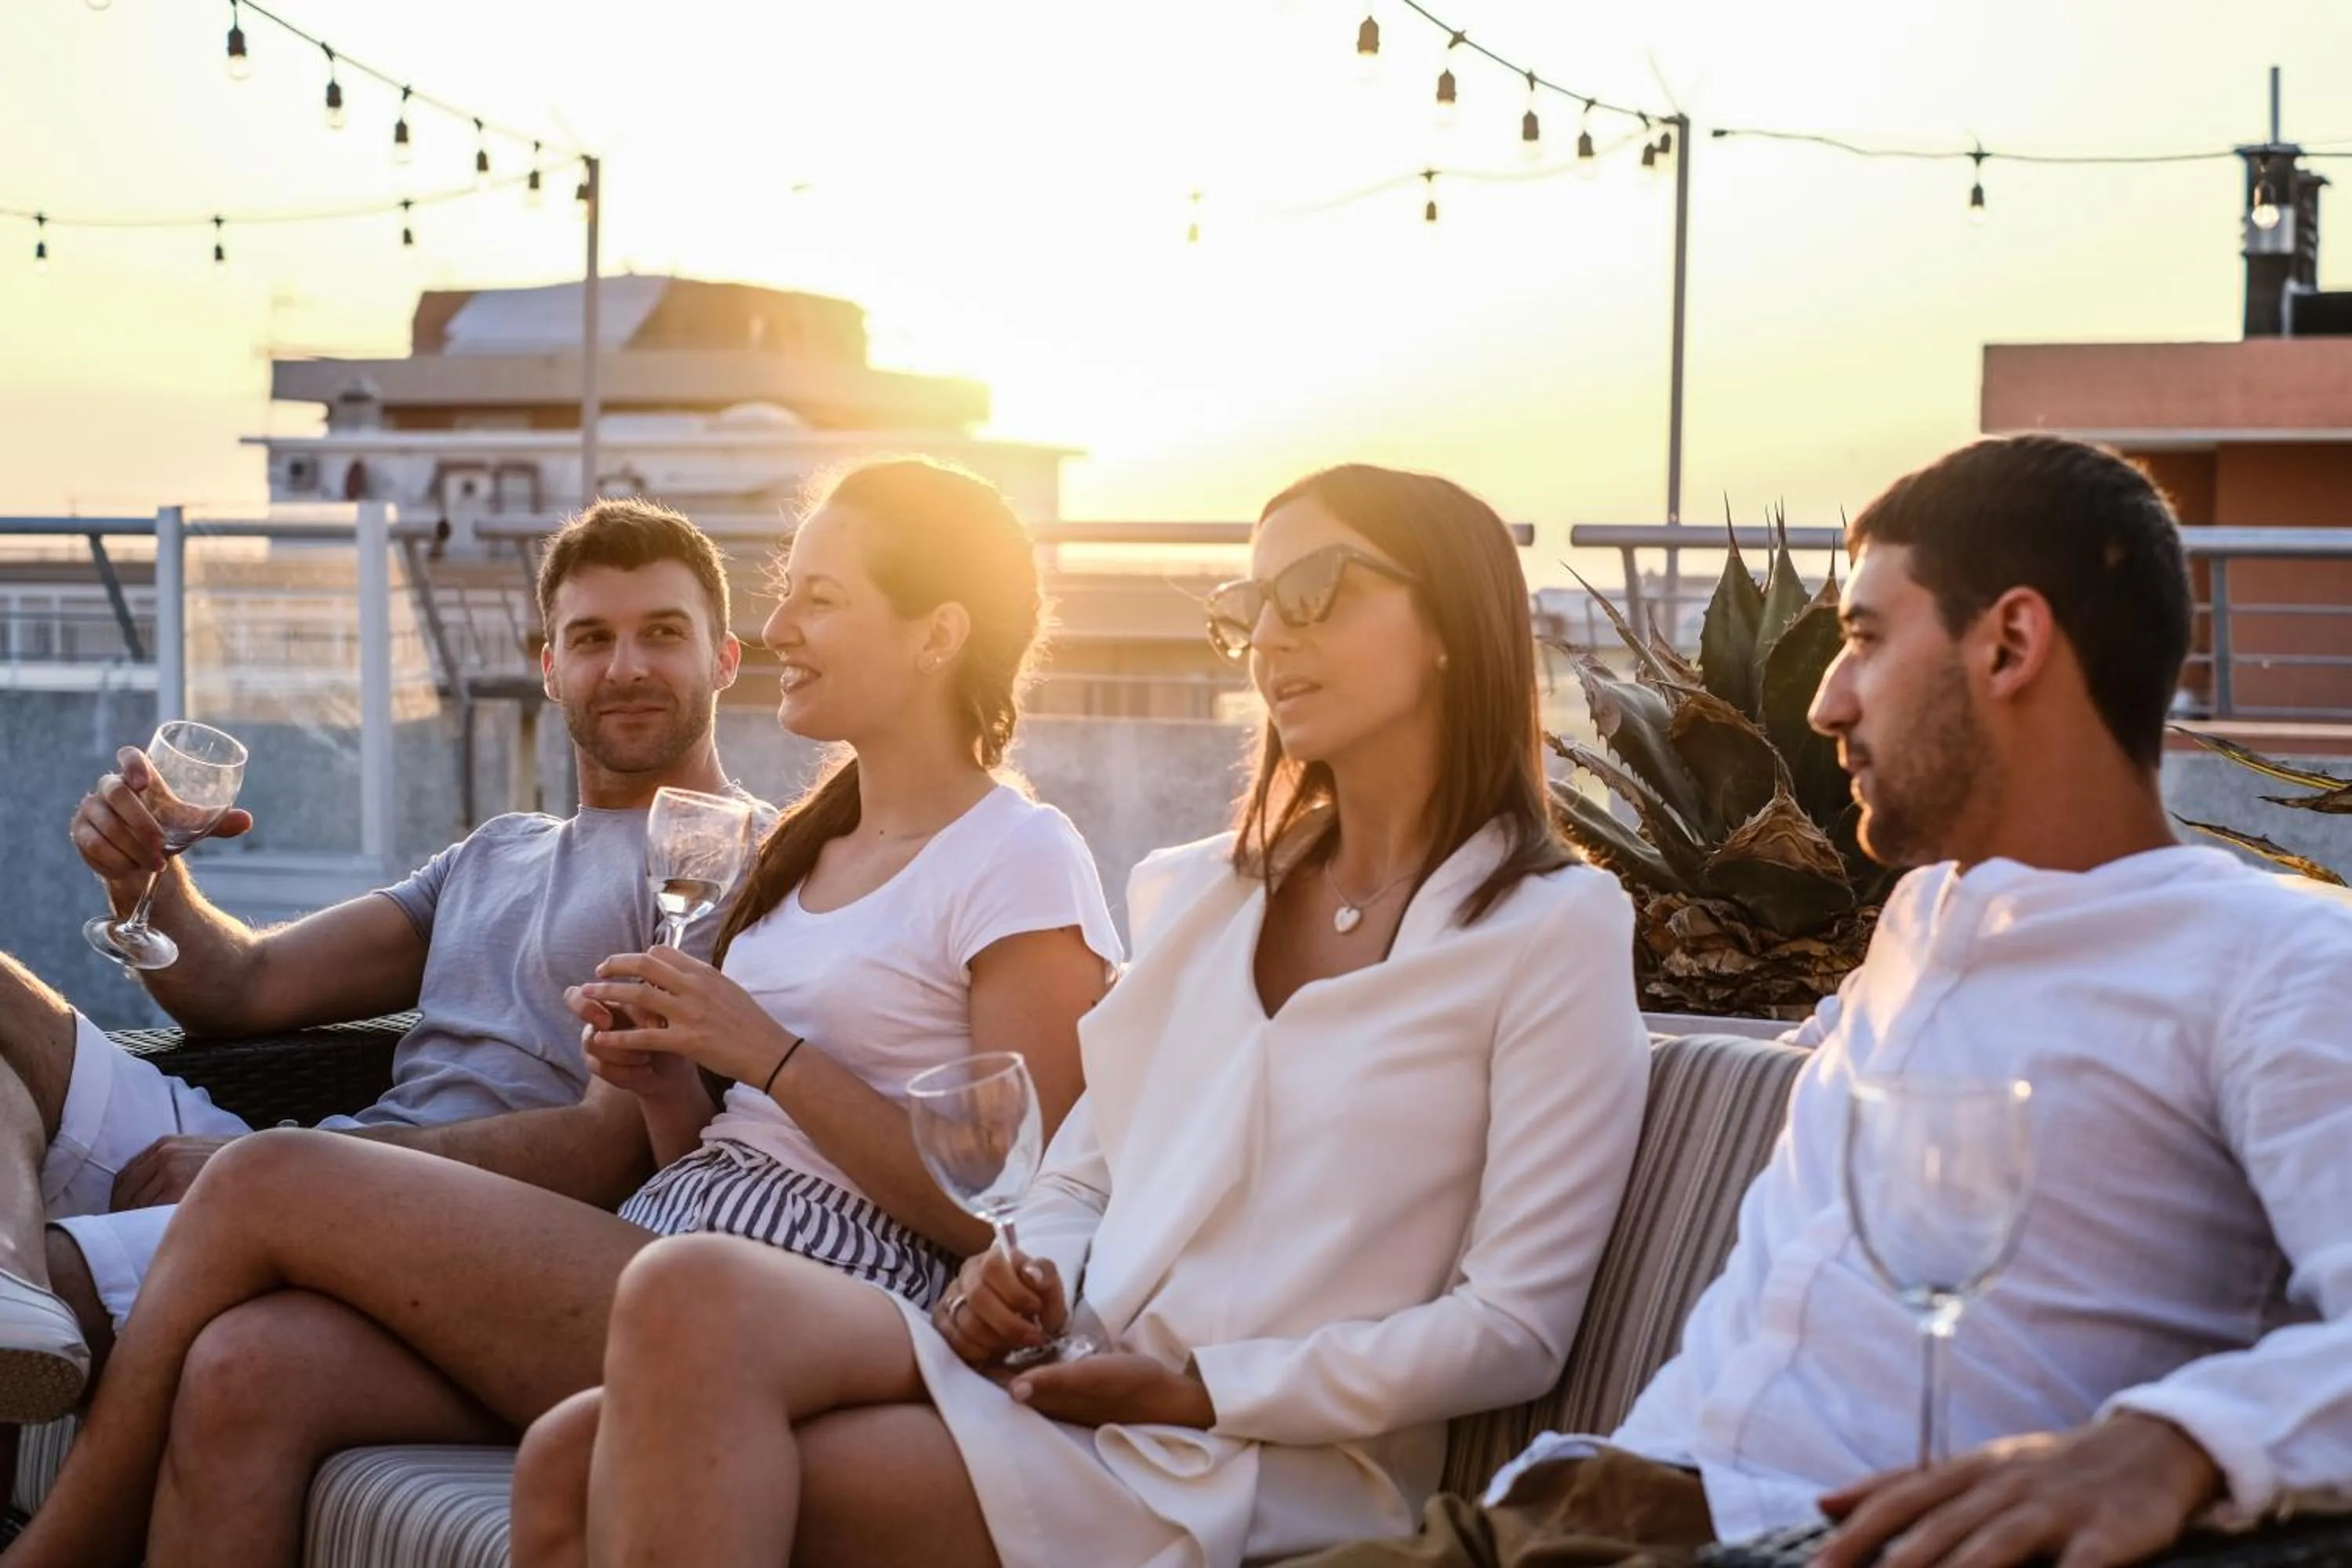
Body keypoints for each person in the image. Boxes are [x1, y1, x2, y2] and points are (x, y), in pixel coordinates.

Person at [503, 463, 1654, 1568]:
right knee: (649, 1334)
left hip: (1251, 1457)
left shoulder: (1551, 931)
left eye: (1313, 594)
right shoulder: (1202, 893)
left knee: (603, 1443)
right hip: (1069, 1368)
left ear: (1449, 621)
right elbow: (1079, 1174)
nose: (1270, 637)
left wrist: (1200, 1388)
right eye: (1249, 605)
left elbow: (1514, 1324)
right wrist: (1022, 1277)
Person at [0, 456, 1122, 1568]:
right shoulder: (810, 850)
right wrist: (669, 1082)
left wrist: (765, 1054)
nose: (783, 625)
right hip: (669, 1234)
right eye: (784, 592)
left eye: (817, 599)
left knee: (259, 1175)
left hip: (802, 1296)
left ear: (937, 634)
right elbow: (697, 1141)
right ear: (548, 664)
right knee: (254, 1365)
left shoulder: (1012, 854)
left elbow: (1019, 1204)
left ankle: (54, 1553)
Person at [1283, 434, 2352, 1568]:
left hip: (1794, 1539)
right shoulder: (1918, 930)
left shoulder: (2272, 963)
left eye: (1866, 640)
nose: (1831, 703)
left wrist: (2176, 1442)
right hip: (1563, 1510)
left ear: (2011, 644)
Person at [0, 497, 757, 1477]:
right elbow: (244, 984)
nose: (625, 667)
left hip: (417, 1229)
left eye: (663, 633)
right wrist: (151, 880)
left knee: (69, 1284)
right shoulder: (495, 850)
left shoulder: (730, 861)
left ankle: (32, 1292)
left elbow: (604, 1151)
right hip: (298, 1166)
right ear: (549, 667)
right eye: (591, 638)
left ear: (725, 660)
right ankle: (11, 1282)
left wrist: (298, 1176)